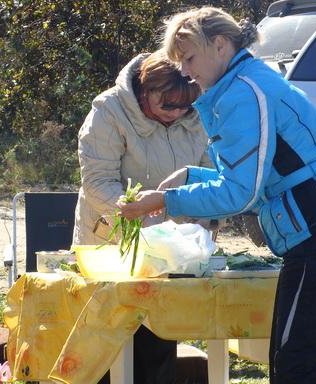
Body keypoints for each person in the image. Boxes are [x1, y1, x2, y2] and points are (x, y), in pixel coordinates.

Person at [117, 7, 316, 384]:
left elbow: (239, 193)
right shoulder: (247, 81)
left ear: (219, 45)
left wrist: (167, 201)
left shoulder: (242, 93)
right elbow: (256, 178)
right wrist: (189, 177)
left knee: (300, 367)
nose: (185, 71)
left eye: (189, 58)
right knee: (296, 362)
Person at [73, 49, 211, 383]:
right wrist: (137, 212)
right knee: (105, 352)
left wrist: (204, 219)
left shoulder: (201, 115)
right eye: (168, 105)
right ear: (144, 91)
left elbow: (211, 174)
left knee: (157, 350)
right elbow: (97, 182)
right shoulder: (108, 110)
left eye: (185, 106)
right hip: (109, 249)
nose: (177, 113)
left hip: (168, 258)